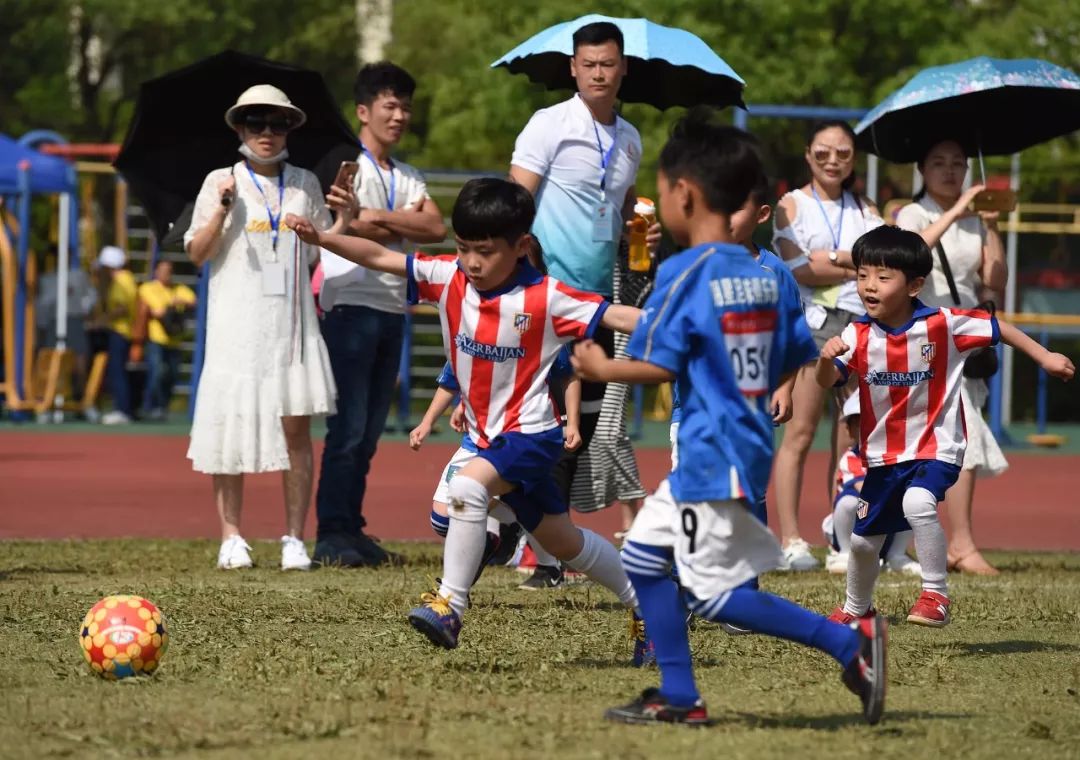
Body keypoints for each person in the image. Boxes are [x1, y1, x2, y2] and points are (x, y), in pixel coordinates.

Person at [572, 114, 887, 726]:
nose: (659, 201)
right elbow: (799, 352)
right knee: (641, 559)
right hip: (743, 445)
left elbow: (662, 363)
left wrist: (601, 368)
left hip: (711, 451)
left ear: (684, 194)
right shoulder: (764, 275)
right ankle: (679, 695)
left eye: (660, 190)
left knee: (716, 598)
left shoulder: (684, 271)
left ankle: (850, 645)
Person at [287, 178, 651, 661]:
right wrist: (324, 239)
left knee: (466, 489)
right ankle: (651, 604)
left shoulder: (548, 297)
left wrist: (698, 327)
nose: (472, 262)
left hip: (532, 434)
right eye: (463, 248)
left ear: (521, 246)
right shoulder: (449, 278)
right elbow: (380, 258)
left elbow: (618, 318)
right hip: (486, 438)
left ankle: (450, 605)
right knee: (563, 542)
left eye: (484, 251)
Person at [817, 226, 1073, 627]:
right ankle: (856, 608)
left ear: (915, 284)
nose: (869, 286)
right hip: (884, 455)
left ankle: (935, 594)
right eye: (863, 275)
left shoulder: (943, 324)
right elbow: (826, 381)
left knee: (918, 503)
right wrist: (824, 358)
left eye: (883, 277)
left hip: (938, 445)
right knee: (864, 543)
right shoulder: (856, 334)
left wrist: (1045, 356)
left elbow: (997, 327)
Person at [185, 84, 357, 571]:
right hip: (236, 323)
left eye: (277, 123)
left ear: (290, 130)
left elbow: (324, 248)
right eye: (257, 122)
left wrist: (343, 219)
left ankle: (293, 538)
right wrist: (221, 208)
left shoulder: (303, 183)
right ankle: (232, 537)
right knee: (229, 423)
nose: (267, 132)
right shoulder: (220, 180)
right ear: (239, 127)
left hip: (290, 324)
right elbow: (197, 253)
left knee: (296, 428)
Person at [509, 21, 658, 581]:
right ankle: (526, 539)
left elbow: (617, 216)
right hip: (544, 292)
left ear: (623, 70)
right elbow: (515, 199)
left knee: (582, 423)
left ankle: (551, 545)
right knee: (538, 418)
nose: (598, 73)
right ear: (573, 68)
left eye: (608, 64)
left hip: (597, 299)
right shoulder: (549, 124)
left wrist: (637, 233)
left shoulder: (631, 138)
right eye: (588, 63)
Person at [313, 61, 447, 569]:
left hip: (393, 308)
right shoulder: (347, 165)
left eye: (406, 107)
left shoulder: (407, 174)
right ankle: (331, 533)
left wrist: (378, 221)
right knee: (346, 428)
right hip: (349, 306)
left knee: (369, 431)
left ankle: (352, 528)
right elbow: (339, 226)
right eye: (390, 106)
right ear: (363, 111)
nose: (400, 115)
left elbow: (434, 226)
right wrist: (396, 227)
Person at [771, 121, 885, 570]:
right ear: (807, 154)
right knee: (799, 432)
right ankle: (790, 538)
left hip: (860, 324)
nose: (833, 161)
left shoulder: (865, 205)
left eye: (842, 153)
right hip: (811, 325)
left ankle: (840, 534)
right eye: (823, 153)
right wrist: (853, 263)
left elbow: (879, 261)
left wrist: (833, 260)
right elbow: (797, 267)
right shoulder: (790, 205)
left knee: (851, 434)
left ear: (854, 158)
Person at [896, 139, 1009, 575]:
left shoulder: (974, 221)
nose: (949, 170)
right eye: (938, 162)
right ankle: (958, 543)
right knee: (953, 439)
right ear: (922, 168)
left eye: (957, 164)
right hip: (923, 336)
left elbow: (994, 279)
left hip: (962, 336)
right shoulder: (913, 213)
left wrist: (992, 227)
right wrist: (957, 210)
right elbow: (912, 253)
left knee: (959, 438)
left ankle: (947, 541)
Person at [821, 393, 920, 576]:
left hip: (887, 532)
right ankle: (844, 553)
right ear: (849, 430)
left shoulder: (895, 458)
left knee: (913, 500)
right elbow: (863, 489)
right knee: (848, 502)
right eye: (859, 424)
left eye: (873, 423)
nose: (867, 429)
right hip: (856, 532)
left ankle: (896, 555)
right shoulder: (850, 459)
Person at [135, 260, 196, 420]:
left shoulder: (178, 288)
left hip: (174, 339)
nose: (166, 274)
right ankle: (149, 406)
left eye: (168, 271)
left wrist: (177, 303)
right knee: (156, 373)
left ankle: (162, 407)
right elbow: (157, 311)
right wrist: (172, 305)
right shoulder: (149, 288)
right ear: (156, 272)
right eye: (162, 270)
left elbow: (192, 300)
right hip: (157, 338)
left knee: (173, 375)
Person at [91, 245, 138, 425]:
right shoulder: (127, 278)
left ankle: (122, 409)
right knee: (118, 371)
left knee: (117, 372)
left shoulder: (120, 280)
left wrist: (102, 320)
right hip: (123, 331)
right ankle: (124, 408)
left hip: (119, 331)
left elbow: (122, 307)